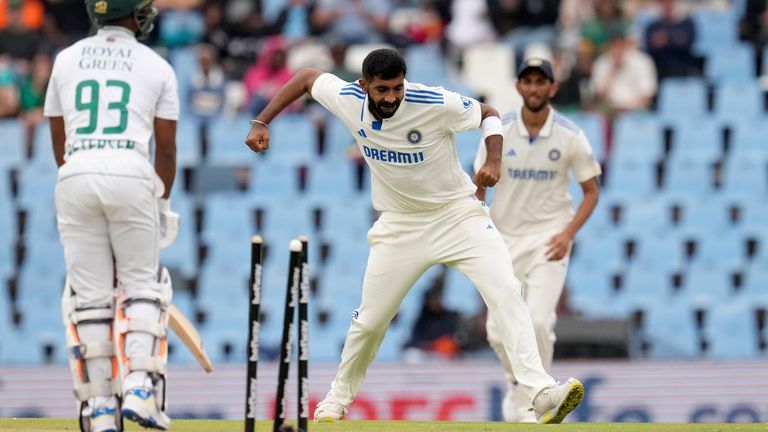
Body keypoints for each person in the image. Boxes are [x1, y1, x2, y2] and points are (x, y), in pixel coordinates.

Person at [244, 48, 585, 424]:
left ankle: (539, 392)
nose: (391, 97)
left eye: (397, 88)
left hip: (458, 216)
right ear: (364, 86)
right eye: (382, 90)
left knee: (506, 290)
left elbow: (488, 115)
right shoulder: (347, 99)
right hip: (400, 225)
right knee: (371, 321)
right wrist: (262, 121)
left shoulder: (433, 101)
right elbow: (307, 76)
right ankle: (336, 401)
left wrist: (493, 159)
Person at [43, 0, 179, 430]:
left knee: (90, 299)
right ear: (134, 14)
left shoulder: (65, 59)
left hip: (75, 173)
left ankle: (100, 406)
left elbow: (58, 135)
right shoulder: (155, 64)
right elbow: (167, 147)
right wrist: (159, 204)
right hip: (132, 172)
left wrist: (79, 179)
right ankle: (139, 386)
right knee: (143, 284)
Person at [474, 58, 601, 423]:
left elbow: (591, 191)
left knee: (539, 322)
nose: (533, 88)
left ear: (552, 88)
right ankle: (521, 392)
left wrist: (567, 233)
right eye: (527, 81)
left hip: (549, 238)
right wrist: (482, 234)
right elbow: (479, 187)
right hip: (504, 239)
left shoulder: (570, 134)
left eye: (540, 82)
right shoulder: (499, 131)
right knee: (498, 331)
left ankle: (539, 397)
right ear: (518, 87)